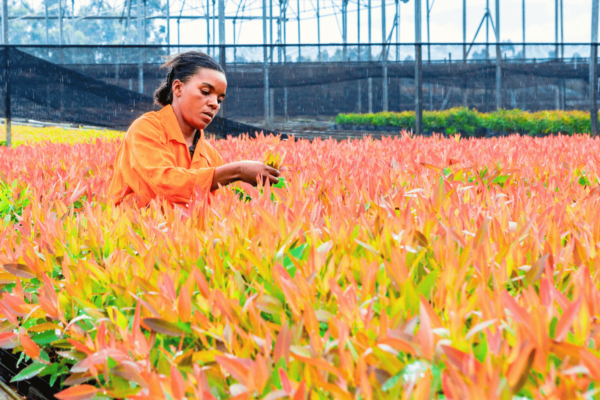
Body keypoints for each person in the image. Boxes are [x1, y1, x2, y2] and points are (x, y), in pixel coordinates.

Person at [109, 51, 280, 207]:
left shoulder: (211, 156)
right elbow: (166, 184)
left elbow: (214, 210)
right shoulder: (146, 129)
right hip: (133, 235)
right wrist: (237, 171)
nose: (214, 104)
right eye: (205, 92)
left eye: (219, 99)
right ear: (178, 88)